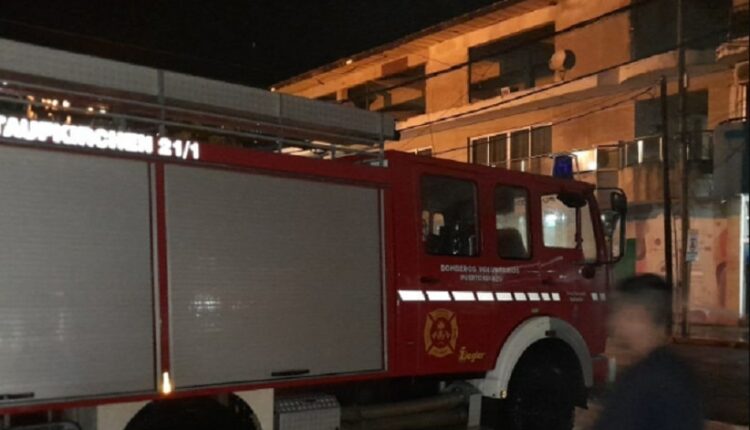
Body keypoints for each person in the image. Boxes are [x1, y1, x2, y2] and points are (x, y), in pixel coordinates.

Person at [594, 274, 703, 430]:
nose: (612, 322)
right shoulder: (679, 372)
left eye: (618, 312)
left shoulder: (641, 381)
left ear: (638, 316)